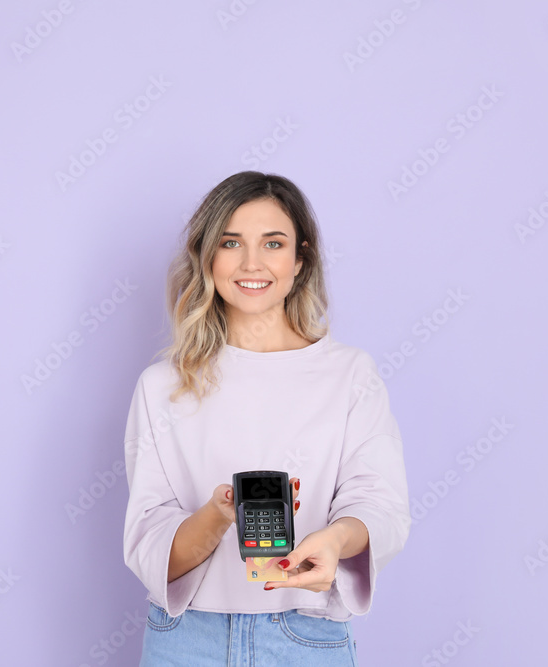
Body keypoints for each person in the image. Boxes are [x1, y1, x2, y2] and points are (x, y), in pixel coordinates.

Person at [122, 171, 410, 666]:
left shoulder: (349, 374)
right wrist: (218, 514)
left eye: (272, 243)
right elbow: (151, 541)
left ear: (300, 260)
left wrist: (336, 540)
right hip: (187, 639)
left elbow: (379, 503)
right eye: (231, 242)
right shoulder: (162, 385)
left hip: (305, 634)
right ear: (208, 256)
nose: (252, 263)